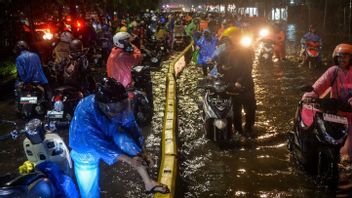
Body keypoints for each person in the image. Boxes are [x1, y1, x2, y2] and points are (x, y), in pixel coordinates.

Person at [69, 77, 170, 197]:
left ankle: (148, 183)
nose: (119, 111)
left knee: (126, 140)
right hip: (85, 149)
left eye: (121, 105)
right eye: (114, 108)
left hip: (109, 132)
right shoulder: (85, 112)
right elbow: (99, 145)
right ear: (102, 105)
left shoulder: (119, 108)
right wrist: (129, 160)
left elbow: (131, 126)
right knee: (89, 191)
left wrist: (142, 152)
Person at [302, 43, 352, 162]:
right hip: (335, 113)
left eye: (345, 56)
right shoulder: (333, 71)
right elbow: (319, 85)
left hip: (351, 115)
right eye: (339, 56)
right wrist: (309, 96)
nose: (341, 59)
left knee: (346, 150)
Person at [213, 27, 256, 136]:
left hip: (245, 84)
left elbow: (248, 68)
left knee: (249, 109)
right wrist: (223, 68)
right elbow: (218, 67)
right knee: (235, 109)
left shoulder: (245, 51)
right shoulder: (223, 53)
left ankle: (248, 128)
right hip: (230, 84)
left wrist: (239, 81)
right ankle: (238, 130)